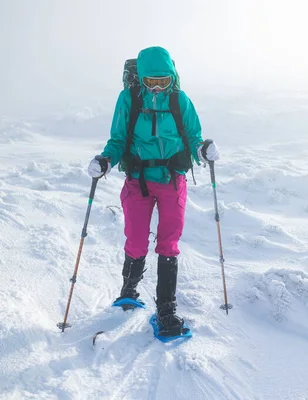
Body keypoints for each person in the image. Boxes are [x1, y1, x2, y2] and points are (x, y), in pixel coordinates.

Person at [87, 46, 220, 337]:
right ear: (142, 79)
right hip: (138, 179)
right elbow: (118, 139)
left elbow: (193, 136)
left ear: (172, 76)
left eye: (163, 80)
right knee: (136, 239)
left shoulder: (179, 99)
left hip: (172, 179)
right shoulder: (129, 99)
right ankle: (129, 289)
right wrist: (106, 159)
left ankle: (166, 309)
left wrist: (203, 150)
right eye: (151, 82)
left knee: (168, 242)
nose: (157, 87)